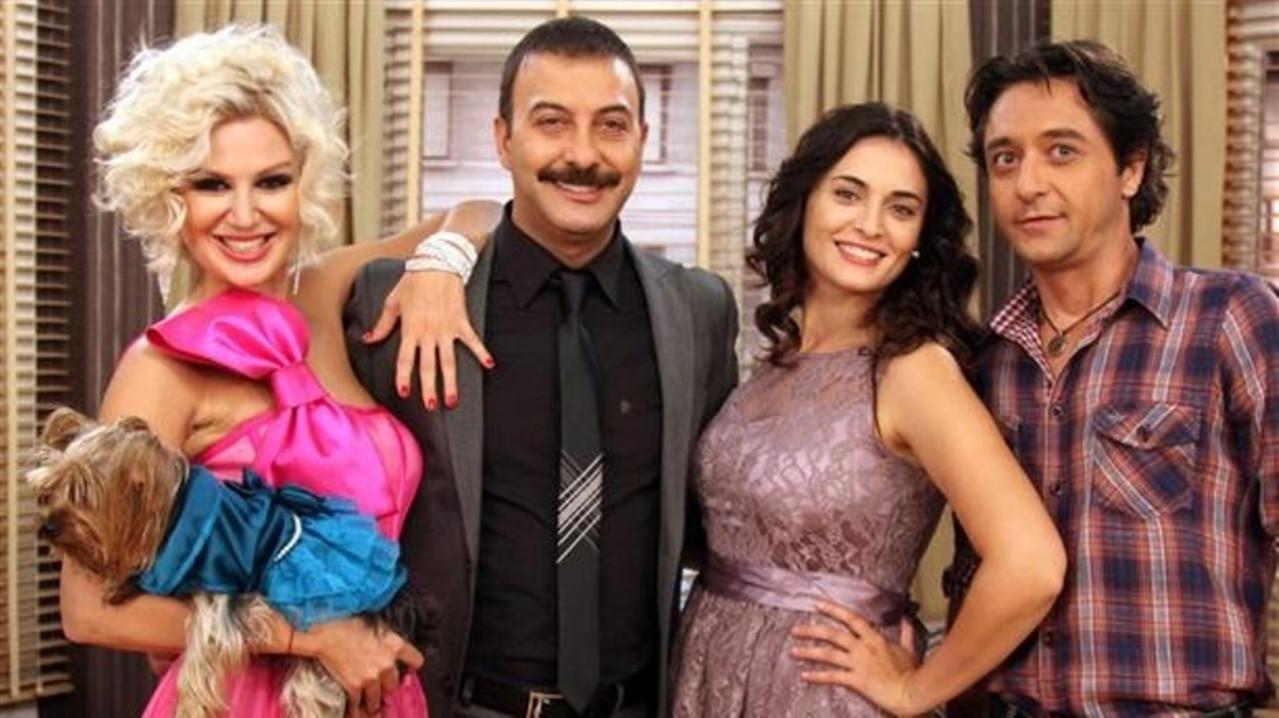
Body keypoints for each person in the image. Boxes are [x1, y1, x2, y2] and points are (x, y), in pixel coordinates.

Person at [66, 24, 501, 718]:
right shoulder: (160, 369)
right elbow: (90, 612)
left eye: (271, 181)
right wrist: (310, 635)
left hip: (383, 692)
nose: (245, 215)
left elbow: (481, 212)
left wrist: (440, 265)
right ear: (169, 195)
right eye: (212, 184)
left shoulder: (326, 291)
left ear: (306, 182)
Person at [344, 16, 739, 718]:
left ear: (642, 139)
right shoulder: (398, 300)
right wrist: (444, 246)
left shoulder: (699, 312)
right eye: (551, 123)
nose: (582, 156)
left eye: (611, 126)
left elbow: (723, 519)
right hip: (457, 705)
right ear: (503, 139)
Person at [661, 103, 1065, 717]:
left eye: (900, 209)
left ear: (920, 240)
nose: (871, 225)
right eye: (848, 194)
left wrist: (916, 690)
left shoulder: (914, 371)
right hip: (709, 671)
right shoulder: (776, 362)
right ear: (805, 203)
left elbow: (1032, 564)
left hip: (820, 695)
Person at [945, 40, 1279, 716]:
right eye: (1005, 158)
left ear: (1131, 168)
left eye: (1061, 151)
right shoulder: (984, 361)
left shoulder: (1229, 319)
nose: (1027, 184)